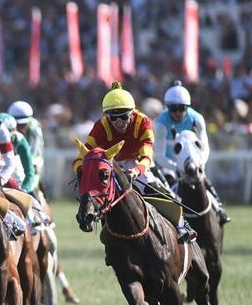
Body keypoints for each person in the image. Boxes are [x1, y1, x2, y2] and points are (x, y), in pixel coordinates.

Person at [74, 83, 197, 242]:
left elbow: (147, 157)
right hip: (112, 166)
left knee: (162, 192)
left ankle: (182, 225)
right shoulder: (100, 126)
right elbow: (81, 158)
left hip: (137, 164)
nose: (119, 122)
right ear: (107, 117)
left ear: (132, 113)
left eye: (124, 116)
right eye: (113, 117)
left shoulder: (143, 122)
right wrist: (81, 171)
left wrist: (135, 171)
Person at [154, 83, 231, 223]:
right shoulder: (160, 123)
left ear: (187, 107)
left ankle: (219, 209)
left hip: (192, 162)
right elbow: (159, 155)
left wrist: (198, 163)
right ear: (167, 108)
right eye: (173, 109)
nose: (177, 113)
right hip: (169, 164)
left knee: (203, 180)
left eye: (181, 108)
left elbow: (205, 148)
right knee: (166, 188)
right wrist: (176, 167)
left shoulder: (197, 119)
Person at [0, 113, 38, 194]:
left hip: (19, 184)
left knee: (35, 203)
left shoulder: (20, 140)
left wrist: (25, 188)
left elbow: (29, 171)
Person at [8, 100, 45, 190]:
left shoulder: (34, 128)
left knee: (32, 175)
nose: (20, 128)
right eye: (17, 125)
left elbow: (34, 152)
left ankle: (34, 195)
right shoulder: (7, 125)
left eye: (23, 124)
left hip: (33, 160)